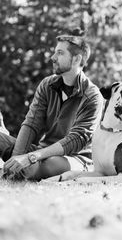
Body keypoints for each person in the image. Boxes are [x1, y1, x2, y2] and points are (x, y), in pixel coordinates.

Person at [0, 29, 103, 181]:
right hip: (40, 152)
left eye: (60, 53)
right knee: (22, 162)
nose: (53, 58)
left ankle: (17, 170)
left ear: (76, 59)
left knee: (37, 166)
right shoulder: (47, 84)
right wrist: (18, 158)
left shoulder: (93, 97)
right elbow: (31, 124)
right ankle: (15, 169)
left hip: (72, 159)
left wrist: (31, 157)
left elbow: (75, 140)